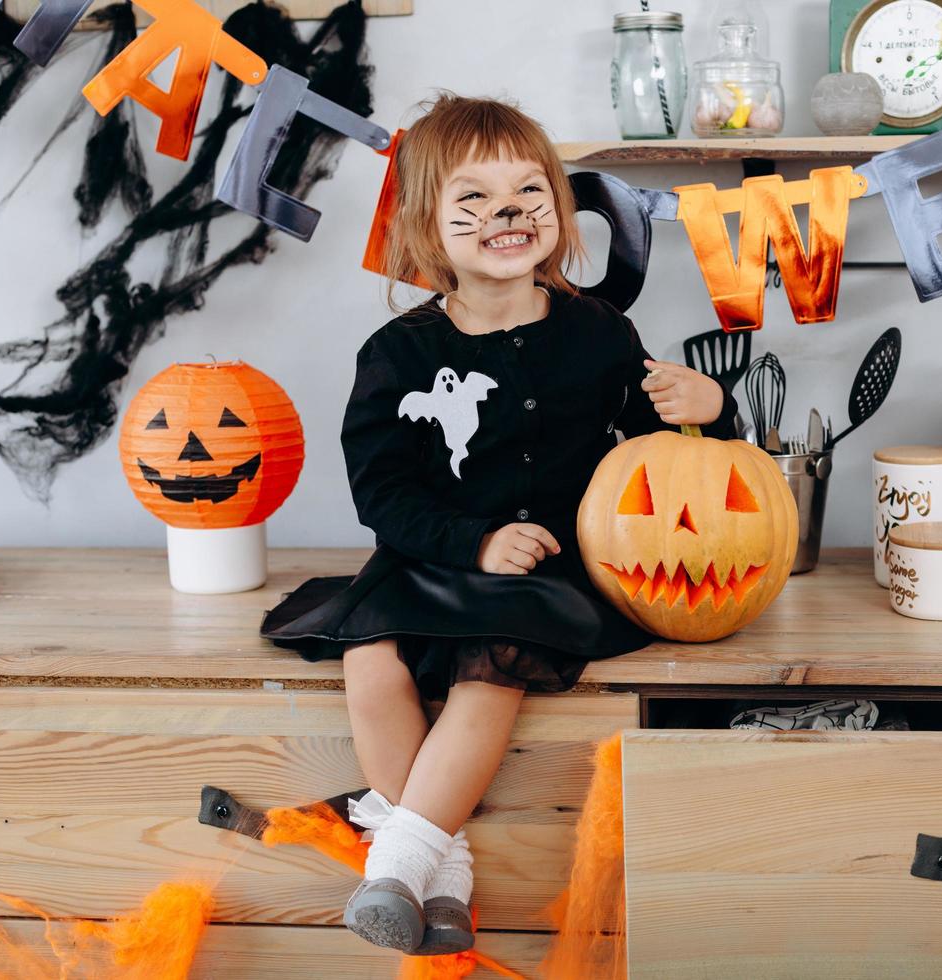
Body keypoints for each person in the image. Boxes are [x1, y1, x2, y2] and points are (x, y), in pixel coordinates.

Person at [260, 93, 738, 955]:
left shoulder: (600, 333)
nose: (505, 215)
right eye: (472, 200)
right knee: (369, 662)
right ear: (424, 225)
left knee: (490, 673)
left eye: (528, 194)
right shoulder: (399, 353)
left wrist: (711, 410)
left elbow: (663, 466)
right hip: (431, 556)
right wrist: (471, 543)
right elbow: (382, 492)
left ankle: (400, 860)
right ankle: (446, 876)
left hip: (552, 572)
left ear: (557, 210)